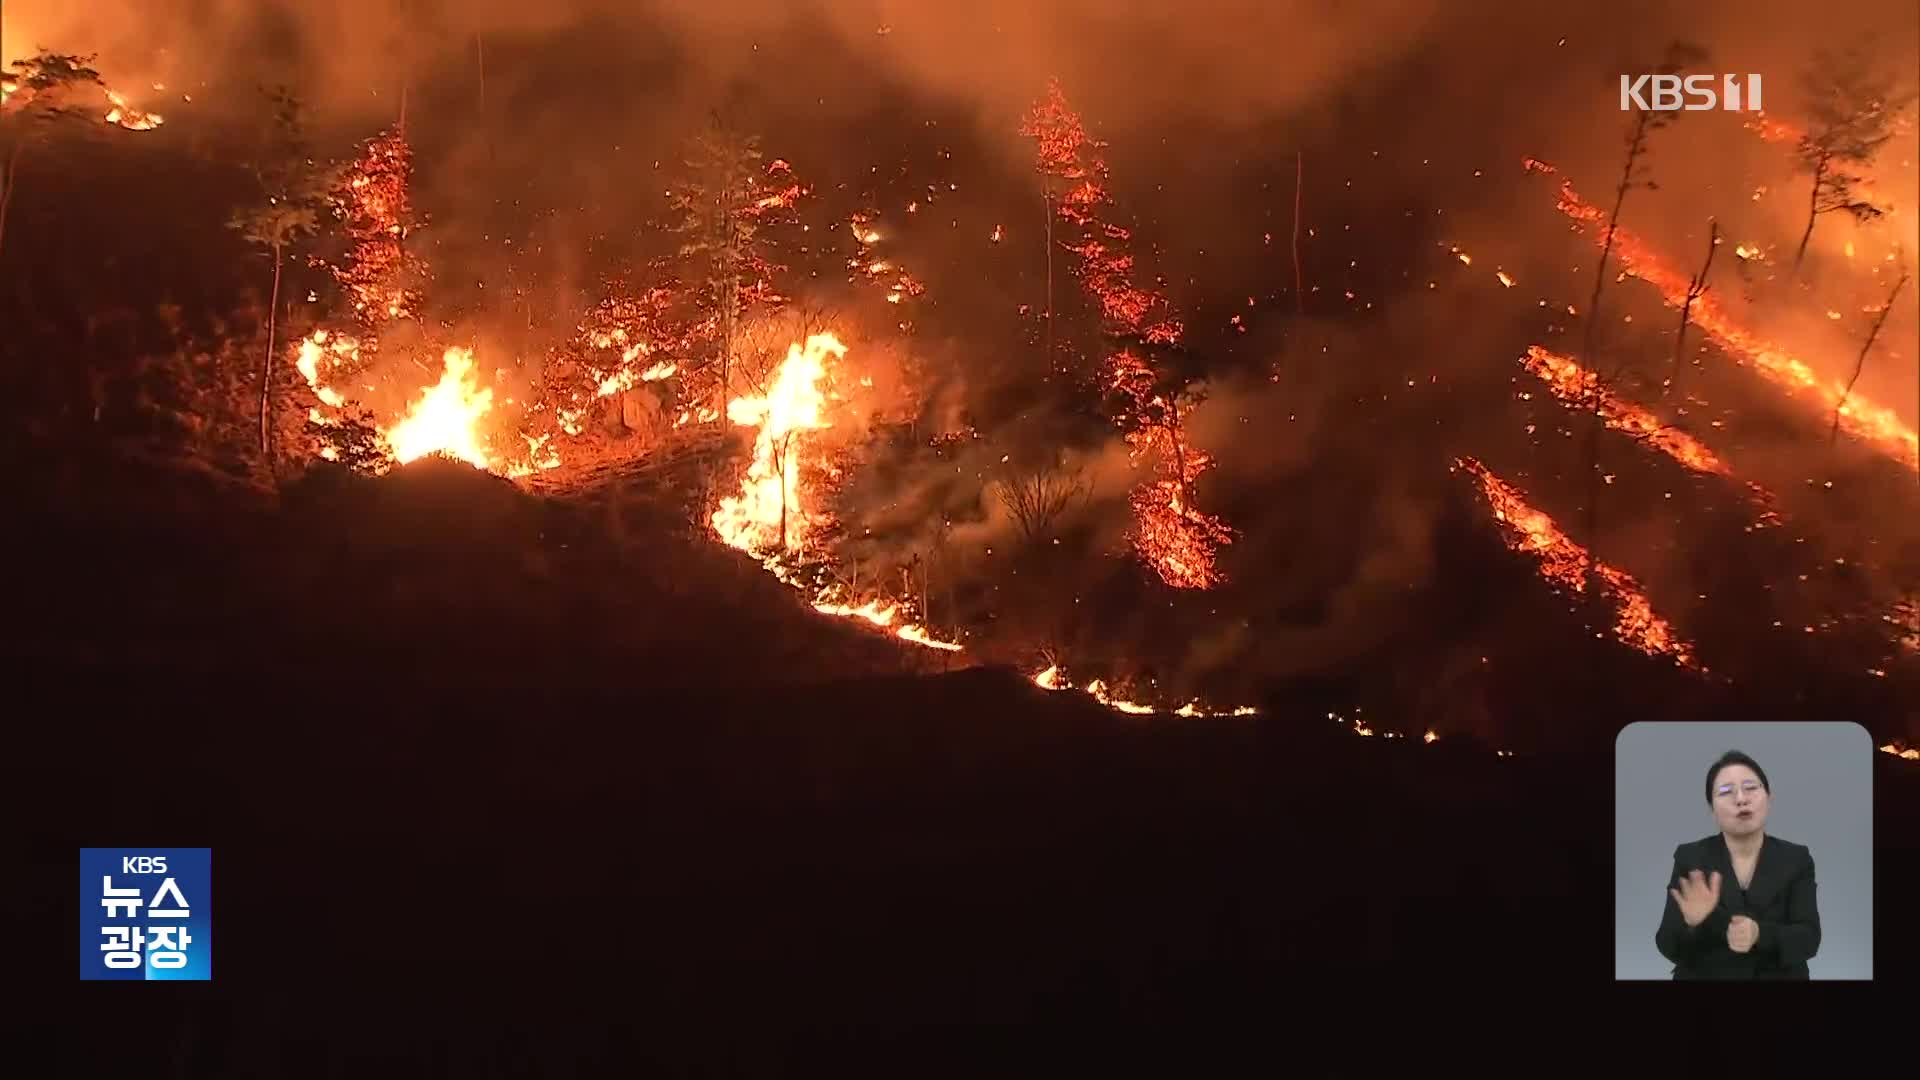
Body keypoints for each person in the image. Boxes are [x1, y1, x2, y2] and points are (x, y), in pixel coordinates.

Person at [1654, 750, 1821, 979]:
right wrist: (1693, 925)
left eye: (1751, 787)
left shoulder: (1797, 858)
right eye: (1725, 792)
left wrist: (1758, 934)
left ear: (1769, 798)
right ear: (1712, 809)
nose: (1741, 799)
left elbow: (1809, 939)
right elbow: (1667, 944)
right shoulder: (1690, 858)